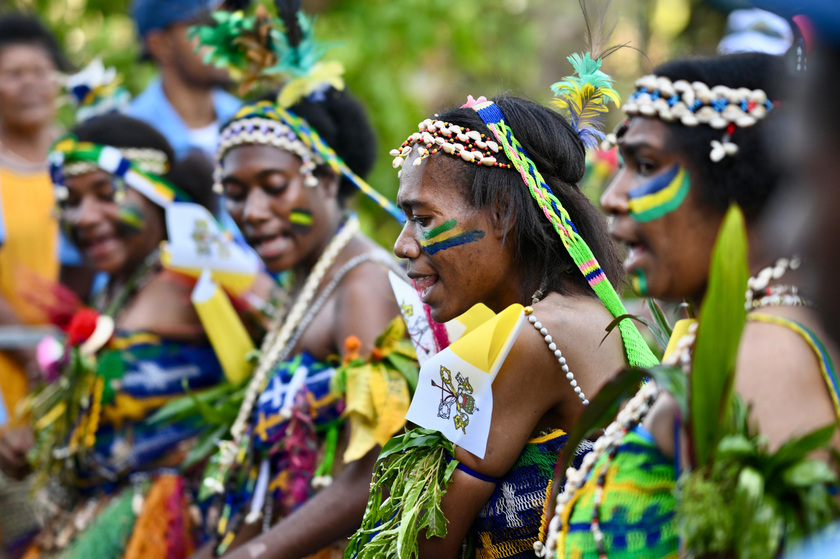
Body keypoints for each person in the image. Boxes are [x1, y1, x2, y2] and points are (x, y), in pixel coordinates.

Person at [543, 52, 840, 559]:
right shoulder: (733, 338)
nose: (613, 197)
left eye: (647, 165)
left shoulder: (765, 354)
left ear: (743, 178)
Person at [350, 86, 658, 557]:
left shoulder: (542, 334)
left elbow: (424, 544)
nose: (403, 244)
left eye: (423, 218)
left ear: (503, 213)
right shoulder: (573, 312)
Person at [185, 6, 418, 559]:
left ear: (328, 180)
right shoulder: (305, 282)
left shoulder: (364, 283)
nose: (253, 211)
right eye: (236, 193)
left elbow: (376, 469)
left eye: (273, 185)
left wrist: (254, 553)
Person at [0, 113, 248, 559]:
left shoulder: (196, 279)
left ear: (157, 193)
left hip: (167, 527)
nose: (84, 216)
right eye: (70, 201)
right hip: (94, 515)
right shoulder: (112, 290)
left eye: (105, 194)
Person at [128, 0, 241, 162]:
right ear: (160, 45)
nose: (229, 35)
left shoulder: (251, 120)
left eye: (229, 20)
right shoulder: (130, 138)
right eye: (209, 23)